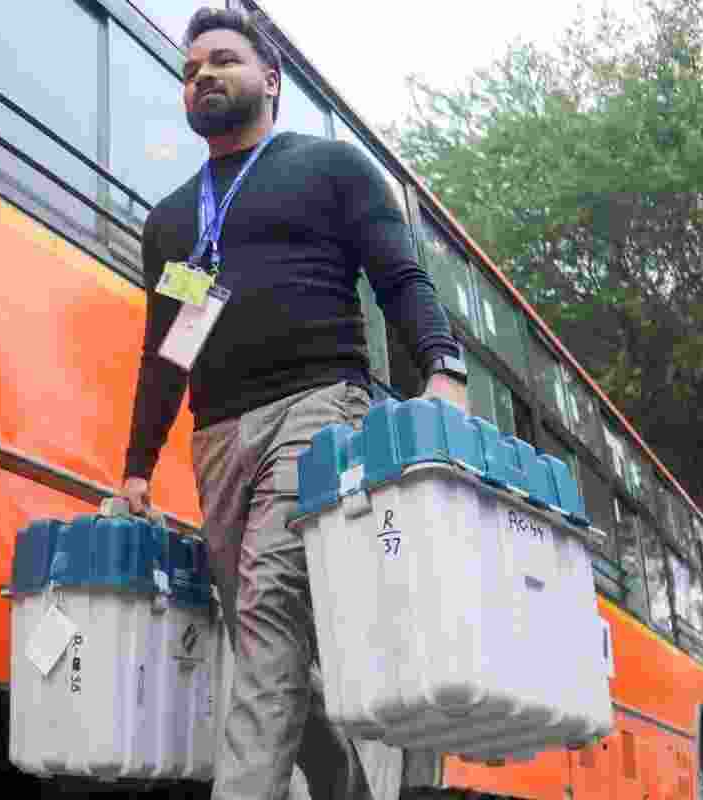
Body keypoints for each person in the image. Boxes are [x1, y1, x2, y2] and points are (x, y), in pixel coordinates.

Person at [118, 8, 469, 800]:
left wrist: (441, 367)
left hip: (319, 411)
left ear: (269, 80)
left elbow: (400, 280)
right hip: (218, 437)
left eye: (222, 60)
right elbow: (167, 352)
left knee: (271, 609)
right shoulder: (170, 222)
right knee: (259, 638)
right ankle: (344, 784)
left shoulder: (332, 169)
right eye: (189, 68)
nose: (202, 74)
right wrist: (138, 467)